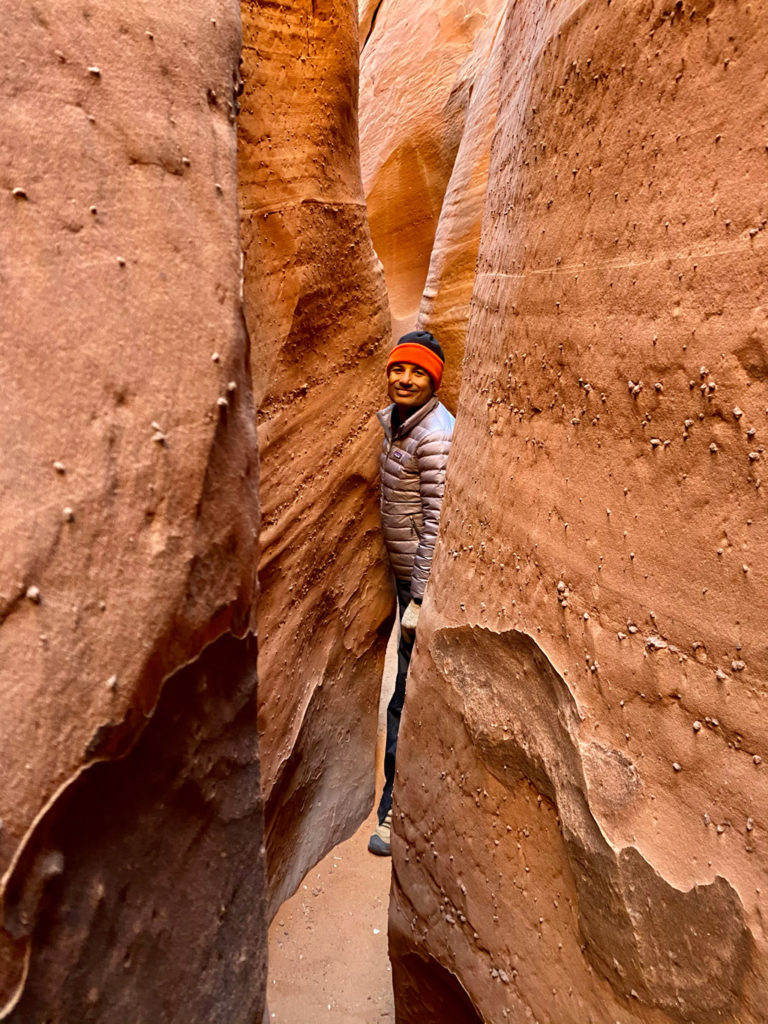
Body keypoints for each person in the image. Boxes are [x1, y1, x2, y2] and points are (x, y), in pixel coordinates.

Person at [368, 330, 455, 856]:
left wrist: (419, 598)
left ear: (434, 381)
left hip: (419, 585)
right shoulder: (400, 423)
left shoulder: (435, 436)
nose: (405, 379)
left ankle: (393, 811)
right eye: (399, 369)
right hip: (402, 575)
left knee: (406, 692)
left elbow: (437, 521)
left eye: (417, 372)